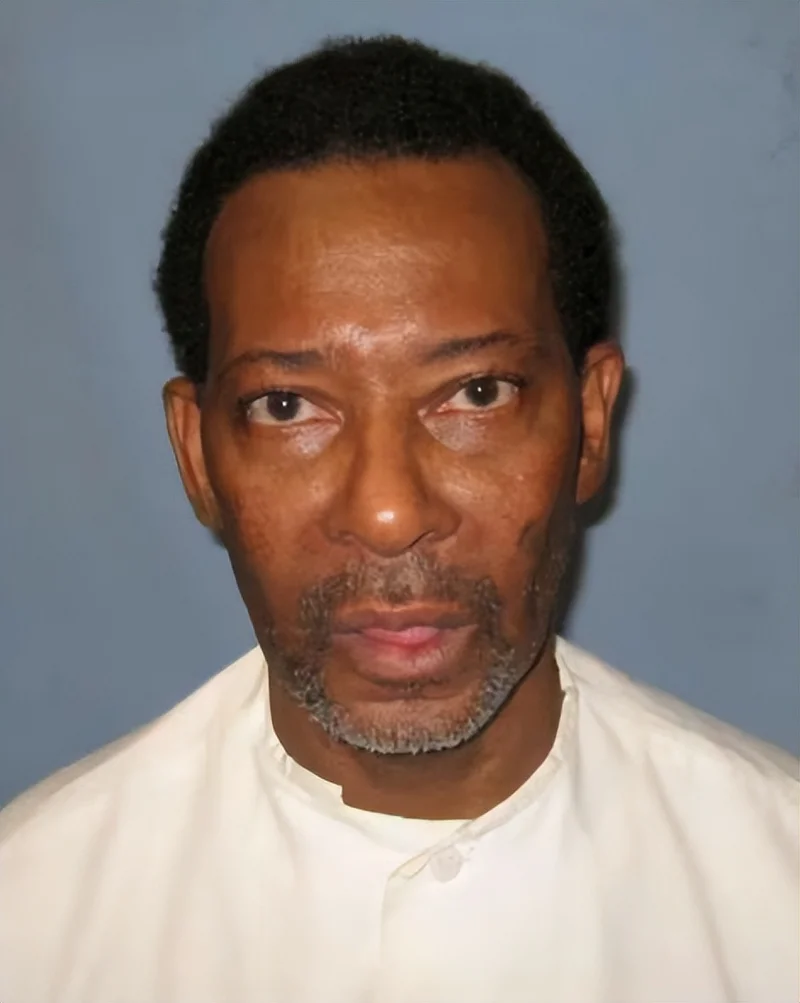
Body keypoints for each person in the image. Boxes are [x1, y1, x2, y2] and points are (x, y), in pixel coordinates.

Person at [0, 34, 796, 1003]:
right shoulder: (30, 915)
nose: (386, 513)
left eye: (476, 393)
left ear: (590, 425)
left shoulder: (776, 892)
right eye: (287, 406)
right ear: (196, 454)